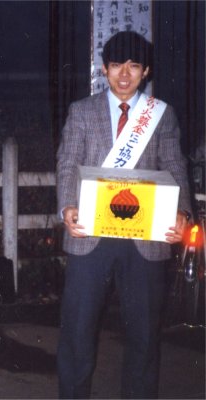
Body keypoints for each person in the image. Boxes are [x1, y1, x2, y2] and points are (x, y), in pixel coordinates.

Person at [56, 31, 192, 398]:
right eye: (117, 65)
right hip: (89, 236)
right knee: (77, 332)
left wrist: (181, 212)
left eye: (134, 66)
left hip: (145, 240)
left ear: (146, 71)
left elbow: (175, 166)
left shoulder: (161, 114)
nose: (125, 75)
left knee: (144, 338)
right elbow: (67, 163)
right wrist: (67, 207)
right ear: (104, 69)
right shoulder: (81, 111)